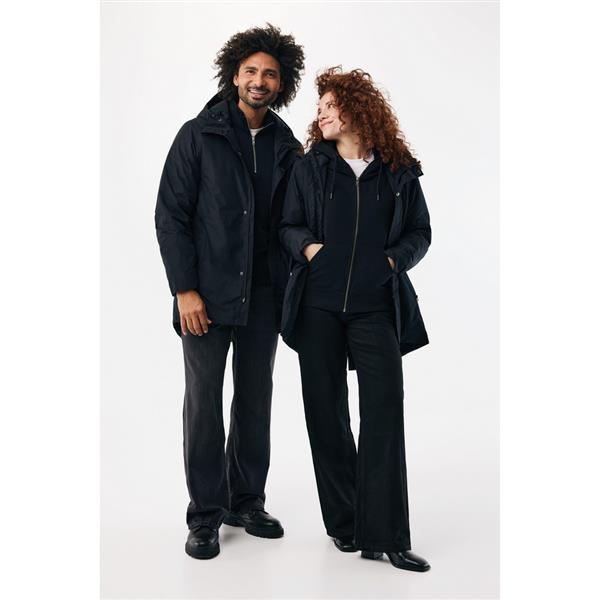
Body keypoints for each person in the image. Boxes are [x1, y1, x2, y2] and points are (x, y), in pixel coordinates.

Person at [155, 23, 304, 560]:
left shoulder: (288, 146)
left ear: (282, 83)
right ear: (234, 76)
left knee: (255, 399)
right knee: (204, 404)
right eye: (250, 71)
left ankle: (247, 502)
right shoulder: (199, 134)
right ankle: (205, 515)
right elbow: (171, 216)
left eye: (270, 74)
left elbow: (292, 222)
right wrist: (185, 290)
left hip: (264, 294)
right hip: (207, 296)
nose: (259, 81)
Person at [279, 67, 432, 571]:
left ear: (356, 109)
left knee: (384, 411)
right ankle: (346, 523)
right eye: (319, 107)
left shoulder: (397, 171)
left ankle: (386, 535)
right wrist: (310, 249)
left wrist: (391, 262)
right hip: (318, 306)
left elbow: (420, 232)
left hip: (375, 306)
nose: (320, 113)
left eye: (329, 105)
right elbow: (288, 225)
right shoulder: (310, 168)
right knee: (326, 414)